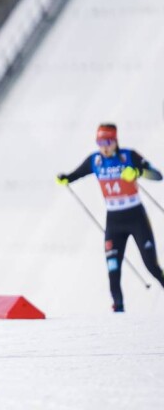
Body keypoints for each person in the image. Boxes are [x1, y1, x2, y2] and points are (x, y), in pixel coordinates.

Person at [57, 123, 164, 312]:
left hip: (136, 218)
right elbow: (75, 175)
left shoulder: (129, 156)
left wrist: (138, 172)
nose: (104, 147)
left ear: (115, 141)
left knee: (151, 266)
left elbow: (157, 175)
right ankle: (119, 310)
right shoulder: (95, 160)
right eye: (100, 142)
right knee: (113, 270)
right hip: (114, 222)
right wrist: (65, 178)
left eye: (107, 142)